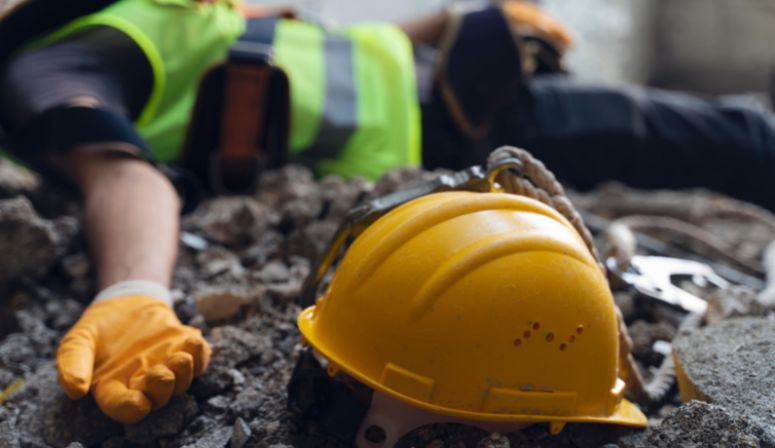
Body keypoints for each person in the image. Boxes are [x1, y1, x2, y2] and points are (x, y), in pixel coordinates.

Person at [0, 0, 773, 424]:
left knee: (722, 135)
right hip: (445, 124)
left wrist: (450, 24)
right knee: (733, 136)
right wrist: (129, 289)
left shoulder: (125, 14)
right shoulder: (51, 64)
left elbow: (286, 50)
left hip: (445, 80)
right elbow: (122, 179)